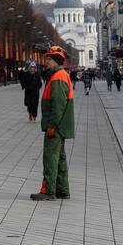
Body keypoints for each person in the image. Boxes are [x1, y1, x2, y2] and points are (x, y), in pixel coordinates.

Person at [30, 46, 75, 201]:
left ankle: (48, 191)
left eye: (49, 59)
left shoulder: (57, 77)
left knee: (50, 157)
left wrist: (52, 125)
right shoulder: (60, 75)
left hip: (55, 127)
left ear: (56, 61)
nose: (46, 61)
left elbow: (58, 105)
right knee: (60, 158)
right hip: (60, 127)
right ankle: (62, 190)